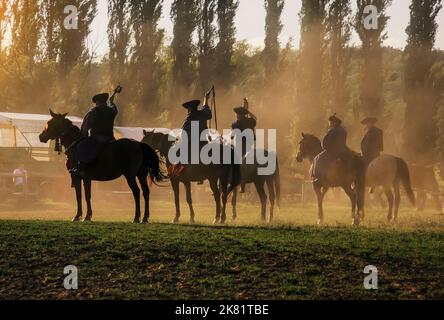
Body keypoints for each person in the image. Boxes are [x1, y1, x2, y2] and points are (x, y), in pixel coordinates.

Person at [75, 92, 118, 175]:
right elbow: (114, 108)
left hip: (96, 138)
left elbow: (86, 126)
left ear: (98, 102)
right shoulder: (112, 111)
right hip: (110, 139)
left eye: (96, 102)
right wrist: (112, 102)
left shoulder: (94, 111)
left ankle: (82, 169)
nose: (96, 104)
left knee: (81, 146)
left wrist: (84, 136)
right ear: (105, 101)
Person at [180, 89, 213, 164]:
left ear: (189, 109)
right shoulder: (202, 114)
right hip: (204, 144)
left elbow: (184, 133)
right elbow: (207, 112)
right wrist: (206, 99)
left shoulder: (190, 117)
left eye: (188, 109)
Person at [312, 114, 348, 181]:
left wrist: (325, 147)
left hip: (333, 152)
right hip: (343, 151)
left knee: (318, 158)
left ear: (333, 122)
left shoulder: (332, 130)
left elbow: (325, 143)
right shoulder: (343, 130)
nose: (329, 124)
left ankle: (318, 177)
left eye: (330, 122)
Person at [232, 98, 257, 193]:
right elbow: (255, 118)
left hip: (239, 147)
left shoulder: (235, 124)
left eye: (237, 114)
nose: (236, 115)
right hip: (249, 146)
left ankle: (240, 184)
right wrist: (247, 111)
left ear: (239, 115)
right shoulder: (250, 121)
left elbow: (233, 136)